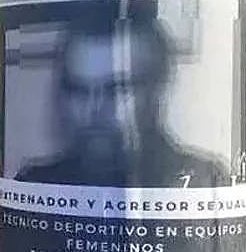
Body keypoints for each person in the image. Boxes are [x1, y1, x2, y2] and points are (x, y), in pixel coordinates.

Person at [14, 16, 229, 188]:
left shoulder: (205, 179)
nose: (93, 110)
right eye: (78, 89)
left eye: (116, 89)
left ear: (158, 88)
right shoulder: (35, 181)